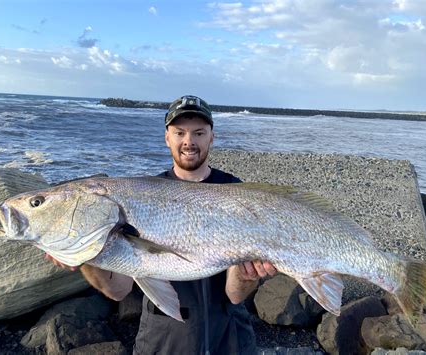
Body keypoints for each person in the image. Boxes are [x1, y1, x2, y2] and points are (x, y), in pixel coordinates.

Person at [46, 95, 277, 354]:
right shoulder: (142, 192)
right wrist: (84, 255)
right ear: (167, 138)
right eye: (180, 132)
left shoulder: (236, 192)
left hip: (229, 336)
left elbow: (235, 295)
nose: (189, 141)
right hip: (162, 337)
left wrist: (249, 276)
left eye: (199, 133)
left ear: (212, 137)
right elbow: (118, 290)